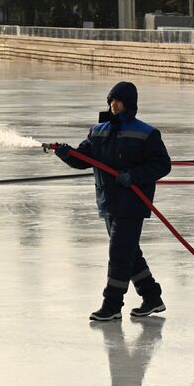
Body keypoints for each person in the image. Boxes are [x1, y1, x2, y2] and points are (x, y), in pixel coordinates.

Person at [55, 81, 172, 322]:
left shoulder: (146, 133)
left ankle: (112, 305)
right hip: (108, 202)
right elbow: (83, 159)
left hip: (132, 204)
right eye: (111, 101)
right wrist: (67, 154)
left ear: (129, 104)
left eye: (118, 101)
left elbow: (162, 165)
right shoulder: (98, 131)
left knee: (119, 254)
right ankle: (152, 297)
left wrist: (134, 176)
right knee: (129, 253)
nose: (113, 105)